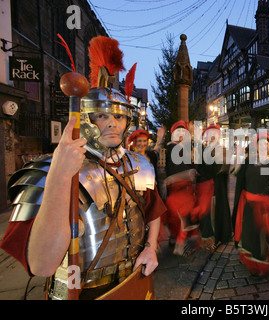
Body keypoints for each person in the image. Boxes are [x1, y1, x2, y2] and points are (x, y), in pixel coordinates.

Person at [0, 36, 166, 300]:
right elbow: (41, 264)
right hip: (81, 289)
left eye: (119, 116)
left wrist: (150, 247)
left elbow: (153, 212)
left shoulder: (140, 164)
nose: (113, 123)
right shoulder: (49, 170)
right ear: (86, 118)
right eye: (102, 115)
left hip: (133, 279)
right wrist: (59, 175)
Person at [232, 132, 269, 276]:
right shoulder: (248, 161)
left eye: (266, 144)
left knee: (261, 236)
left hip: (263, 206)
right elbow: (236, 174)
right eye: (260, 144)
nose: (263, 146)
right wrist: (238, 157)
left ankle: (261, 264)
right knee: (248, 235)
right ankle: (249, 260)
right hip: (247, 205)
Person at [192, 124, 232, 250]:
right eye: (210, 134)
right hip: (203, 187)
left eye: (215, 134)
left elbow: (217, 169)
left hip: (217, 187)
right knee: (205, 213)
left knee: (214, 212)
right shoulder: (202, 150)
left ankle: (216, 237)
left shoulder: (223, 151)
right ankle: (207, 236)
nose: (212, 136)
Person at [164, 120, 198, 256]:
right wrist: (188, 174)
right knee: (183, 217)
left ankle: (174, 240)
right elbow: (177, 170)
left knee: (178, 218)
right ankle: (179, 246)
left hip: (182, 188)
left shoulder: (179, 148)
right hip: (179, 188)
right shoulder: (174, 148)